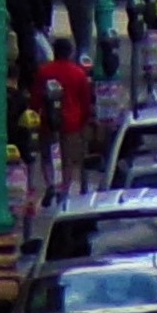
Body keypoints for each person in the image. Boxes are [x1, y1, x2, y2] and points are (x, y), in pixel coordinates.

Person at [39, 33, 95, 197]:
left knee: (47, 155)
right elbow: (85, 100)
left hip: (47, 120)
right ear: (70, 53)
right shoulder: (78, 73)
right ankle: (64, 188)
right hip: (72, 121)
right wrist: (84, 119)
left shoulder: (44, 71)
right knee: (67, 159)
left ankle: (50, 183)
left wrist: (36, 115)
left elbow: (36, 97)